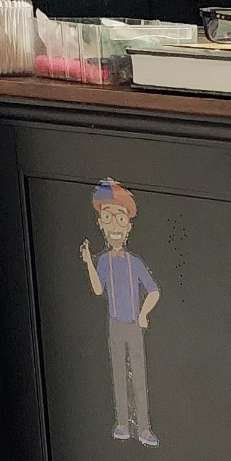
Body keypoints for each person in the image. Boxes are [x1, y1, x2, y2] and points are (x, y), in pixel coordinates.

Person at [81, 177, 160, 446]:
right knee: (118, 374)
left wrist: (143, 314)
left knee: (138, 374)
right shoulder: (103, 261)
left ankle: (145, 428)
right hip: (115, 324)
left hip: (133, 325)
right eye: (108, 217)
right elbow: (98, 290)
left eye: (120, 218)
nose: (114, 225)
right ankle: (123, 424)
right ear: (100, 223)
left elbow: (154, 291)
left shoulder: (134, 263)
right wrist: (89, 263)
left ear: (128, 226)